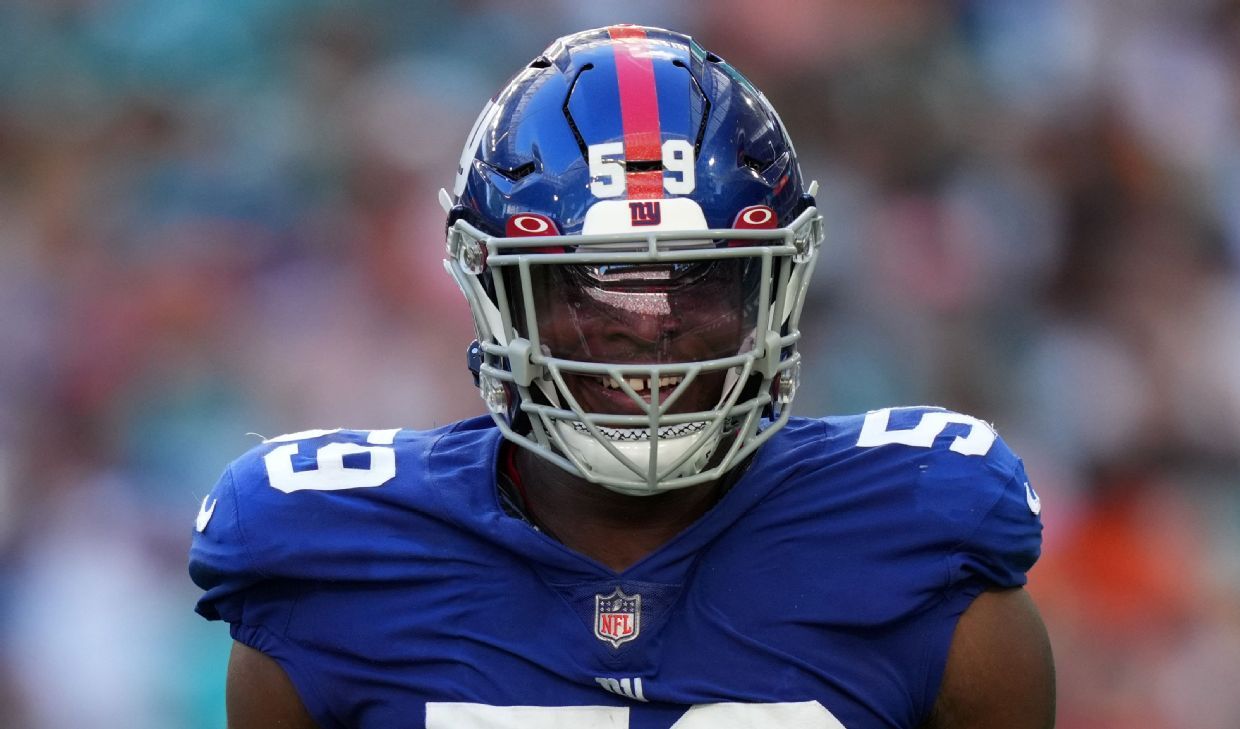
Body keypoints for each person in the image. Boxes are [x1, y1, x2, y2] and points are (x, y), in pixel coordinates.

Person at [190, 25, 1053, 729]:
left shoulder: (919, 542)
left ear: (777, 288)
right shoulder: (327, 569)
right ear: (492, 290)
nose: (648, 327)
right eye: (593, 280)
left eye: (700, 276)